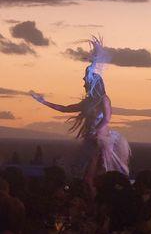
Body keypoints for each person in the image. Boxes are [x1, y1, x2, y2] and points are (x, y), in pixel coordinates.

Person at [31, 37, 130, 192]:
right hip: (91, 139)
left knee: (97, 172)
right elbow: (65, 108)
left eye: (86, 81)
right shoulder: (88, 102)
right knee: (88, 174)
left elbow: (107, 118)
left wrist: (96, 131)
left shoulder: (104, 99)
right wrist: (44, 102)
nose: (84, 83)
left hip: (100, 139)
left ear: (93, 84)